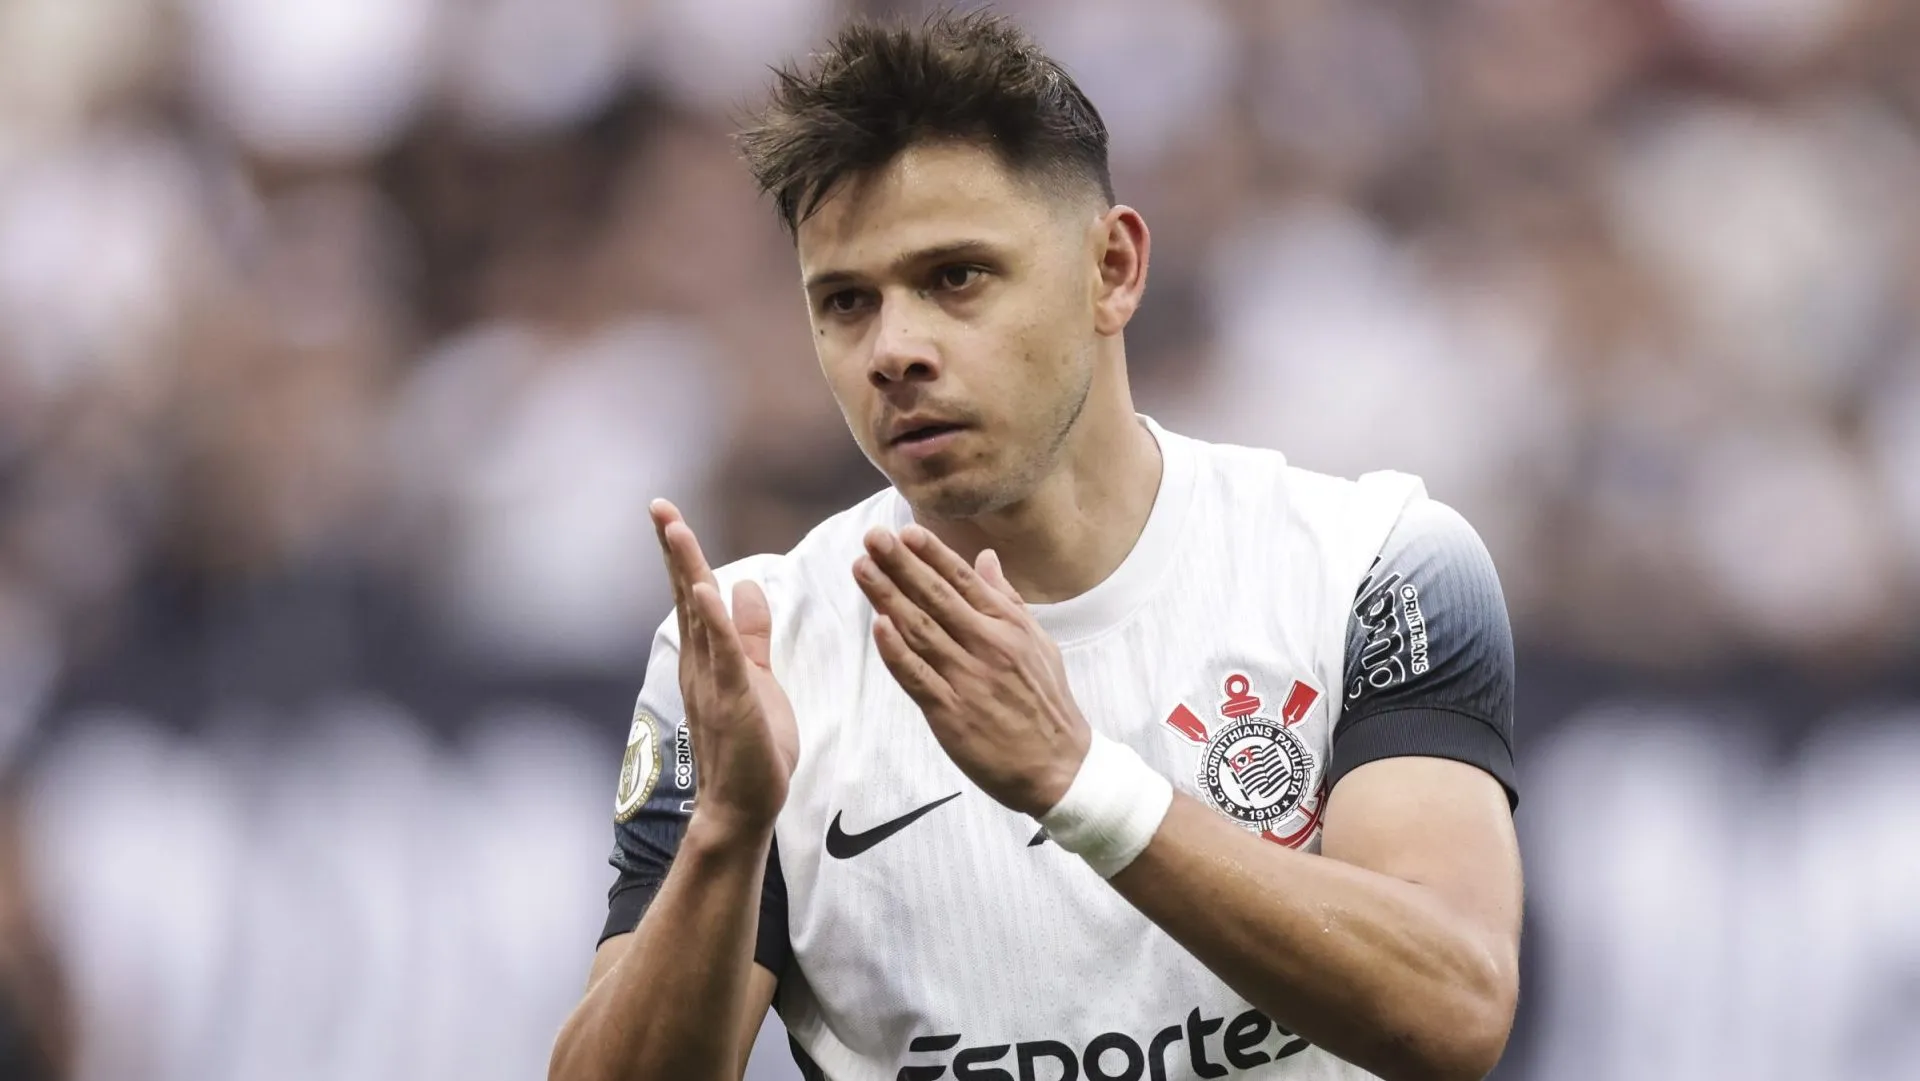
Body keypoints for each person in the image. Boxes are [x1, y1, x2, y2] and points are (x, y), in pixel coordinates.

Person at [549, 11, 1522, 1081]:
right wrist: (728, 838)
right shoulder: (762, 651)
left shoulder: (1371, 564)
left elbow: (1455, 1009)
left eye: (956, 277)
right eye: (845, 303)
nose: (895, 350)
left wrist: (1076, 781)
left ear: (1112, 268)